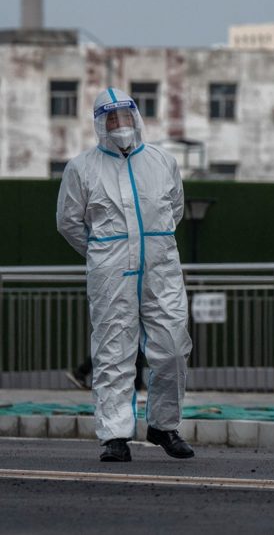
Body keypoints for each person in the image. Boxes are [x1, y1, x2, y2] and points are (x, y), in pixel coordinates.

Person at [56, 87, 195, 463]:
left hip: (161, 267)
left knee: (173, 348)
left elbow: (175, 209)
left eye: (125, 117)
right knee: (113, 352)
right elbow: (69, 222)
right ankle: (114, 435)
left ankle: (163, 425)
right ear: (101, 124)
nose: (120, 125)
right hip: (111, 269)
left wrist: (153, 248)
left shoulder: (162, 161)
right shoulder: (82, 168)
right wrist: (102, 252)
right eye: (111, 119)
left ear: (136, 119)